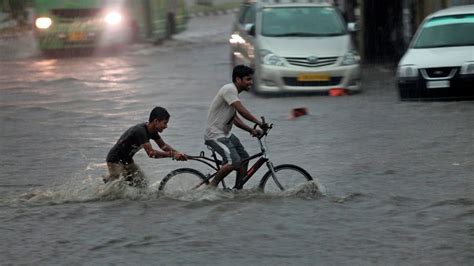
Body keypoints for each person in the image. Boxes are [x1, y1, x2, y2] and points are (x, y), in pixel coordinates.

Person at [204, 65, 266, 189]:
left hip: (225, 135)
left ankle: (237, 190)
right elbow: (241, 110)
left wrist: (251, 130)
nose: (251, 82)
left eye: (251, 79)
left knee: (244, 159)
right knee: (235, 161)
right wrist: (258, 122)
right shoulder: (229, 89)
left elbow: (235, 119)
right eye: (248, 79)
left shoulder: (233, 93)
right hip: (215, 135)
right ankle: (211, 187)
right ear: (238, 79)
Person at [105, 106, 187, 187]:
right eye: (165, 123)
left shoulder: (153, 131)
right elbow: (151, 153)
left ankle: (110, 181)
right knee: (118, 185)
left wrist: (179, 153)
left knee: (142, 183)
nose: (166, 126)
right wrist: (172, 154)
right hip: (115, 160)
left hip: (127, 160)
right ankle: (104, 185)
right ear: (156, 121)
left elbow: (163, 146)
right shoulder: (141, 131)